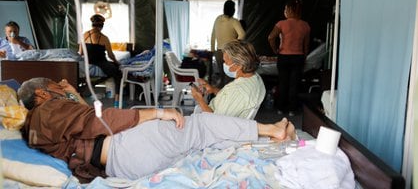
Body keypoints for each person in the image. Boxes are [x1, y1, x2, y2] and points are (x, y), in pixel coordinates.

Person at [18, 77, 296, 182]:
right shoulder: (47, 110)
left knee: (199, 142)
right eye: (54, 85)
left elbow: (86, 121)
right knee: (199, 124)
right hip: (127, 149)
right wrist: (161, 112)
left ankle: (259, 140)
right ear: (41, 95)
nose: (60, 86)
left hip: (121, 165)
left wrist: (70, 94)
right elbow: (103, 120)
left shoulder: (38, 125)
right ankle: (273, 130)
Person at [191, 40, 265, 119]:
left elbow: (216, 122)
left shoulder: (237, 91)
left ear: (238, 65)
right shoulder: (255, 78)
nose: (224, 64)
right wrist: (213, 89)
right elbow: (231, 98)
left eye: (225, 61)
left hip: (213, 126)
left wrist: (199, 99)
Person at [268, 0, 311, 116]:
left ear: (290, 10)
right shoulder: (305, 25)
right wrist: (304, 58)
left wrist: (275, 50)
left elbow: (271, 37)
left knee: (283, 82)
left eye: (286, 9)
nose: (284, 12)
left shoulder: (281, 24)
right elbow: (306, 46)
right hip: (298, 57)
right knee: (294, 84)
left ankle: (280, 108)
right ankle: (292, 109)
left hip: (284, 57)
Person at [79, 14, 122, 98]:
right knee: (118, 72)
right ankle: (117, 96)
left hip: (88, 61)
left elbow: (80, 53)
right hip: (101, 63)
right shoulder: (104, 38)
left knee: (113, 66)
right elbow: (110, 55)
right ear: (102, 26)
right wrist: (117, 62)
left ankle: (89, 86)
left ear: (92, 24)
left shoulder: (84, 35)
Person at [211, 0, 246, 87]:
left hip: (218, 52)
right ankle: (226, 97)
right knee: (229, 77)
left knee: (222, 76)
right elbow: (242, 34)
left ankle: (219, 96)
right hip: (230, 53)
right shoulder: (234, 21)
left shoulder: (218, 19)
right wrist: (233, 44)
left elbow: (213, 35)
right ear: (233, 10)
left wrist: (212, 50)